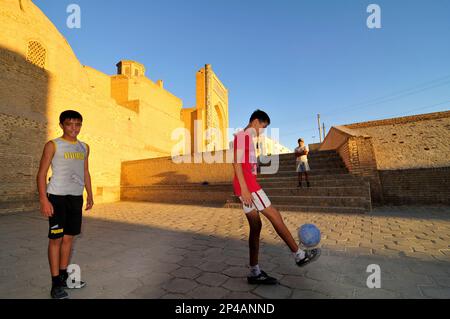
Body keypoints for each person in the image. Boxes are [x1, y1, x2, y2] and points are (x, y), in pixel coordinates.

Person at [232, 110, 320, 285]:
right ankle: (299, 255)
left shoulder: (246, 138)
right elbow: (235, 162)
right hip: (249, 188)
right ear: (255, 122)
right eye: (263, 127)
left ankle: (254, 272)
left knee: (256, 227)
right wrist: (245, 189)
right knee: (275, 215)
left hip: (245, 187)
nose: (262, 131)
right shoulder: (243, 136)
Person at [36, 110, 93, 299]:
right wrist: (44, 199)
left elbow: (85, 172)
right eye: (69, 124)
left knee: (69, 239)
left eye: (78, 124)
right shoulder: (53, 145)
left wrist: (90, 195)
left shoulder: (84, 147)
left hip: (76, 198)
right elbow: (41, 174)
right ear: (62, 125)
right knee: (56, 240)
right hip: (57, 198)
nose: (74, 128)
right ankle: (55, 284)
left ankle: (64, 277)